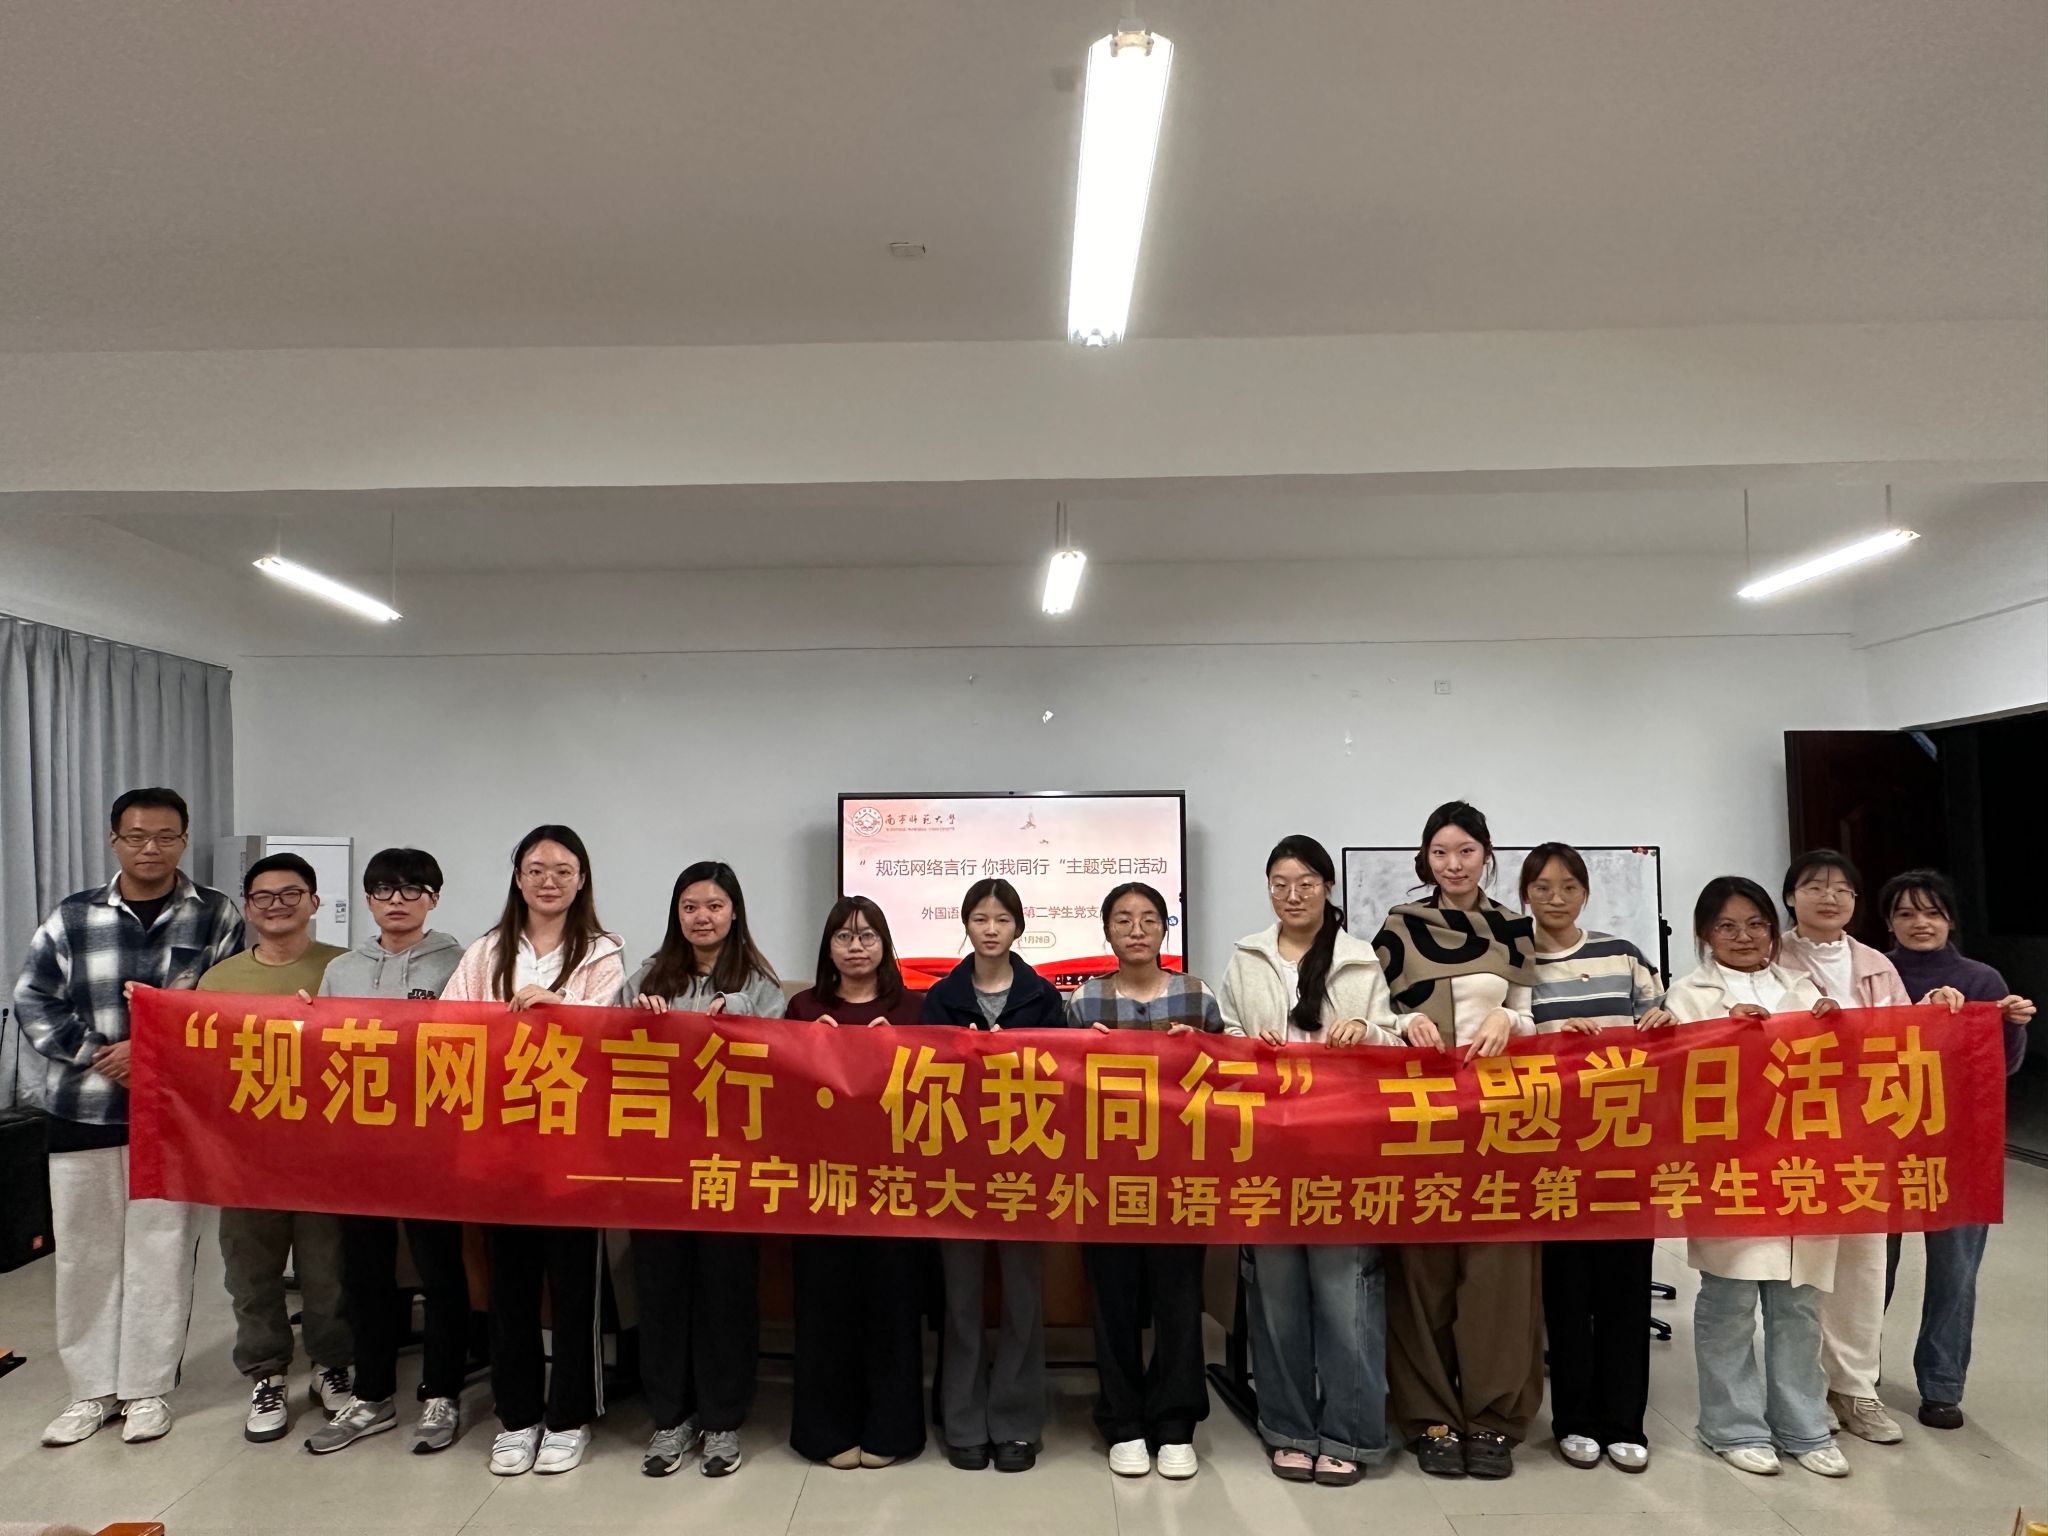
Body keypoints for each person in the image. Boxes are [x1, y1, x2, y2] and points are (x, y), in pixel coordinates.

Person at [15, 788, 243, 1448]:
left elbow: (224, 1009)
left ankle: (146, 1389)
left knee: (160, 1253)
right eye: (137, 836)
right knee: (84, 1254)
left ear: (183, 840)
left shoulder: (215, 915)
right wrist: (98, 1053)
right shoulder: (73, 915)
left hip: (172, 1117)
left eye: (166, 836)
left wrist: (151, 1054)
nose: (151, 848)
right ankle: (90, 1390)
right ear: (114, 840)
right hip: (83, 1110)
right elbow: (34, 999)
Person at [442, 825, 625, 1478]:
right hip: (500, 1142)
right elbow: (447, 1028)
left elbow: (606, 1038)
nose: (549, 880)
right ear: (518, 878)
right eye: (536, 869)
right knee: (510, 1287)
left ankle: (569, 1418)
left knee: (573, 1289)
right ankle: (517, 1417)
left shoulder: (603, 952)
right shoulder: (486, 951)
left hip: (574, 1145)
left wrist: (559, 1008)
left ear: (582, 880)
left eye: (563, 870)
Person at [1220, 835, 1400, 1486]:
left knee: (1347, 1294)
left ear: (1327, 887)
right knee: (1276, 1299)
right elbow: (1225, 1041)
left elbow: (1394, 1046)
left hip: (1342, 1152)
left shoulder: (1359, 960)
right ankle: (1289, 1429)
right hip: (1268, 1151)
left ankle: (1350, 1433)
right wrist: (1248, 1047)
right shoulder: (1246, 957)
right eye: (1280, 884)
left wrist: (1367, 1032)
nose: (1292, 895)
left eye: (1305, 883)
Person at [1372, 801, 1542, 1480]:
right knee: (1422, 1269)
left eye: (1466, 851)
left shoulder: (1513, 928)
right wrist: (1403, 1022)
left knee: (1499, 1268)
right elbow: (1373, 1012)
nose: (1453, 864)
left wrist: (1508, 1019)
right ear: (1425, 859)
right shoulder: (1399, 927)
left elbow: (1530, 1016)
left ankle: (1494, 1416)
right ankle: (1429, 1416)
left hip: (1500, 1116)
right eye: (1440, 852)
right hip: (1422, 1117)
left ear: (1486, 855)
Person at [1663, 875, 1851, 1478]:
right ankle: (1732, 1426)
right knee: (1730, 1300)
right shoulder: (1687, 996)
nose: (1743, 937)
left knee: (1799, 1304)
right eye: (1726, 926)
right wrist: (1722, 1033)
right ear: (1704, 934)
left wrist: (1838, 1026)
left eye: (1756, 924)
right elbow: (1672, 1080)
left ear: (1773, 930)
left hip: (1803, 1168)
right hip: (1733, 1170)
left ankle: (1803, 1425)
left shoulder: (1804, 987)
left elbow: (1846, 1075)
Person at [621, 861, 784, 1479]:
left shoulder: (760, 985)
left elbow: (785, 1063)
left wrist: (738, 1013)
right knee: (661, 1290)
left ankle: (722, 1420)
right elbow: (601, 1052)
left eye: (714, 906)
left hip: (731, 1168)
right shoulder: (646, 977)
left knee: (725, 1293)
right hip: (658, 1167)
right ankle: (670, 1416)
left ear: (734, 912)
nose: (702, 917)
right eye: (690, 907)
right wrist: (635, 1020)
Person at [305, 848, 471, 1456]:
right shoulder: (342, 970)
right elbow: (321, 1053)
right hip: (361, 1144)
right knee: (365, 1272)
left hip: (434, 1142)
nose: (396, 901)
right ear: (369, 899)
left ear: (434, 897)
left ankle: (442, 1392)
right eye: (383, 890)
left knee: (439, 1270)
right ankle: (372, 1395)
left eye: (411, 889)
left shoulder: (461, 963)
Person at [1520, 843, 1672, 1474]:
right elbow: (1505, 1039)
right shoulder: (1514, 961)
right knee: (1567, 1289)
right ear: (1525, 894)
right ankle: (1575, 1420)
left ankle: (1625, 1421)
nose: (1556, 898)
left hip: (1625, 1145)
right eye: (1542, 887)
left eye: (1568, 887)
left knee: (1626, 1288)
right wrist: (1550, 1039)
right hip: (1551, 1147)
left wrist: (1664, 1023)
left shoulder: (1623, 955)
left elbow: (1660, 1027)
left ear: (1585, 893)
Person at [1065, 881, 1223, 1481]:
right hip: (1106, 1177)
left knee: (1179, 1299)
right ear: (1107, 930)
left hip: (1181, 1176)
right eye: (1124, 919)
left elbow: (1233, 1081)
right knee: (1113, 1301)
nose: (1136, 929)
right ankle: (1124, 1420)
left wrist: (1200, 1050)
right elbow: (1059, 1091)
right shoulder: (1084, 1001)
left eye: (1149, 918)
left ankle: (1176, 1421)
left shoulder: (1196, 995)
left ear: (1164, 929)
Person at [196, 853, 353, 1443]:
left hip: (326, 1151)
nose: (277, 905)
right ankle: (266, 1373)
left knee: (327, 1269)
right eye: (263, 896)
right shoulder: (219, 981)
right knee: (251, 1270)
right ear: (248, 907)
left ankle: (332, 1364)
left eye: (291, 894)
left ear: (314, 902)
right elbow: (201, 1067)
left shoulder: (344, 969)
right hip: (248, 1155)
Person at [1877, 868, 2037, 1430]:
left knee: (1955, 1271)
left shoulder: (1982, 978)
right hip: (1883, 1144)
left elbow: (2004, 1066)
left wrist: (2010, 1025)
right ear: (1889, 922)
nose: (1919, 923)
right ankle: (1856, 1375)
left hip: (1961, 1147)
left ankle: (1941, 1387)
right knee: (1872, 1267)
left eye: (1932, 912)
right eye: (1905, 913)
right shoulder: (1874, 973)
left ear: (1950, 920)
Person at [920, 877, 1066, 1472]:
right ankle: (961, 1420)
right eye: (980, 918)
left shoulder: (1043, 997)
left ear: (1018, 928)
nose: (990, 929)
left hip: (1024, 1163)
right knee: (960, 1298)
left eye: (1001, 919)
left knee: (1023, 1297)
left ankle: (1016, 1422)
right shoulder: (940, 998)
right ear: (966, 925)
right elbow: (919, 1078)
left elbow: (1065, 1081)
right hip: (956, 1164)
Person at [1774, 849, 1914, 1448]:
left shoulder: (1878, 965)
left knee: (1862, 1262)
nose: (1828, 897)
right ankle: (1805, 1384)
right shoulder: (1770, 955)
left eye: (1842, 889)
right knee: (1803, 1266)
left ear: (1856, 902)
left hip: (1863, 1132)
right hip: (1793, 1135)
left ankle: (1856, 1386)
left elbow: (1910, 1043)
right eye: (1814, 886)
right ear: (1790, 896)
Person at [784, 896, 928, 1471]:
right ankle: (825, 1430)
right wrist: (805, 1048)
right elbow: (776, 1093)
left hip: (894, 1183)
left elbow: (939, 1094)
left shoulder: (915, 1009)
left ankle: (891, 1428)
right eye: (843, 937)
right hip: (820, 1184)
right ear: (828, 949)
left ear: (885, 945)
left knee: (892, 1304)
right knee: (825, 1306)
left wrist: (899, 1050)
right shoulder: (802, 1007)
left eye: (867, 936)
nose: (856, 947)